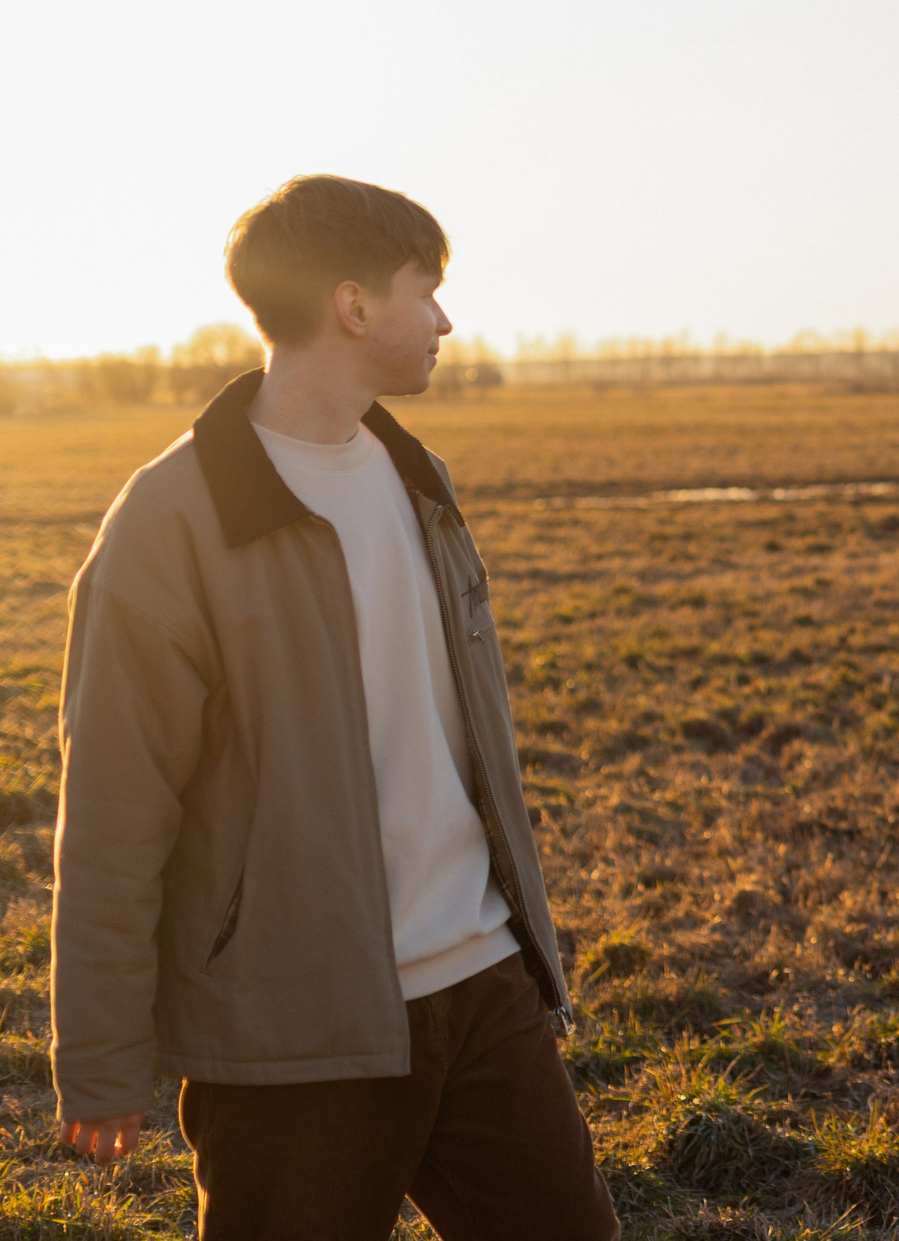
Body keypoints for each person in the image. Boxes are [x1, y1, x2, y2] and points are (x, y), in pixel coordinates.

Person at [51, 176, 618, 1239]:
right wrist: (100, 1060)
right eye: (426, 291)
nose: (446, 320)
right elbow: (119, 812)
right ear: (353, 307)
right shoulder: (174, 520)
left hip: (483, 981)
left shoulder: (417, 478)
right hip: (293, 1028)